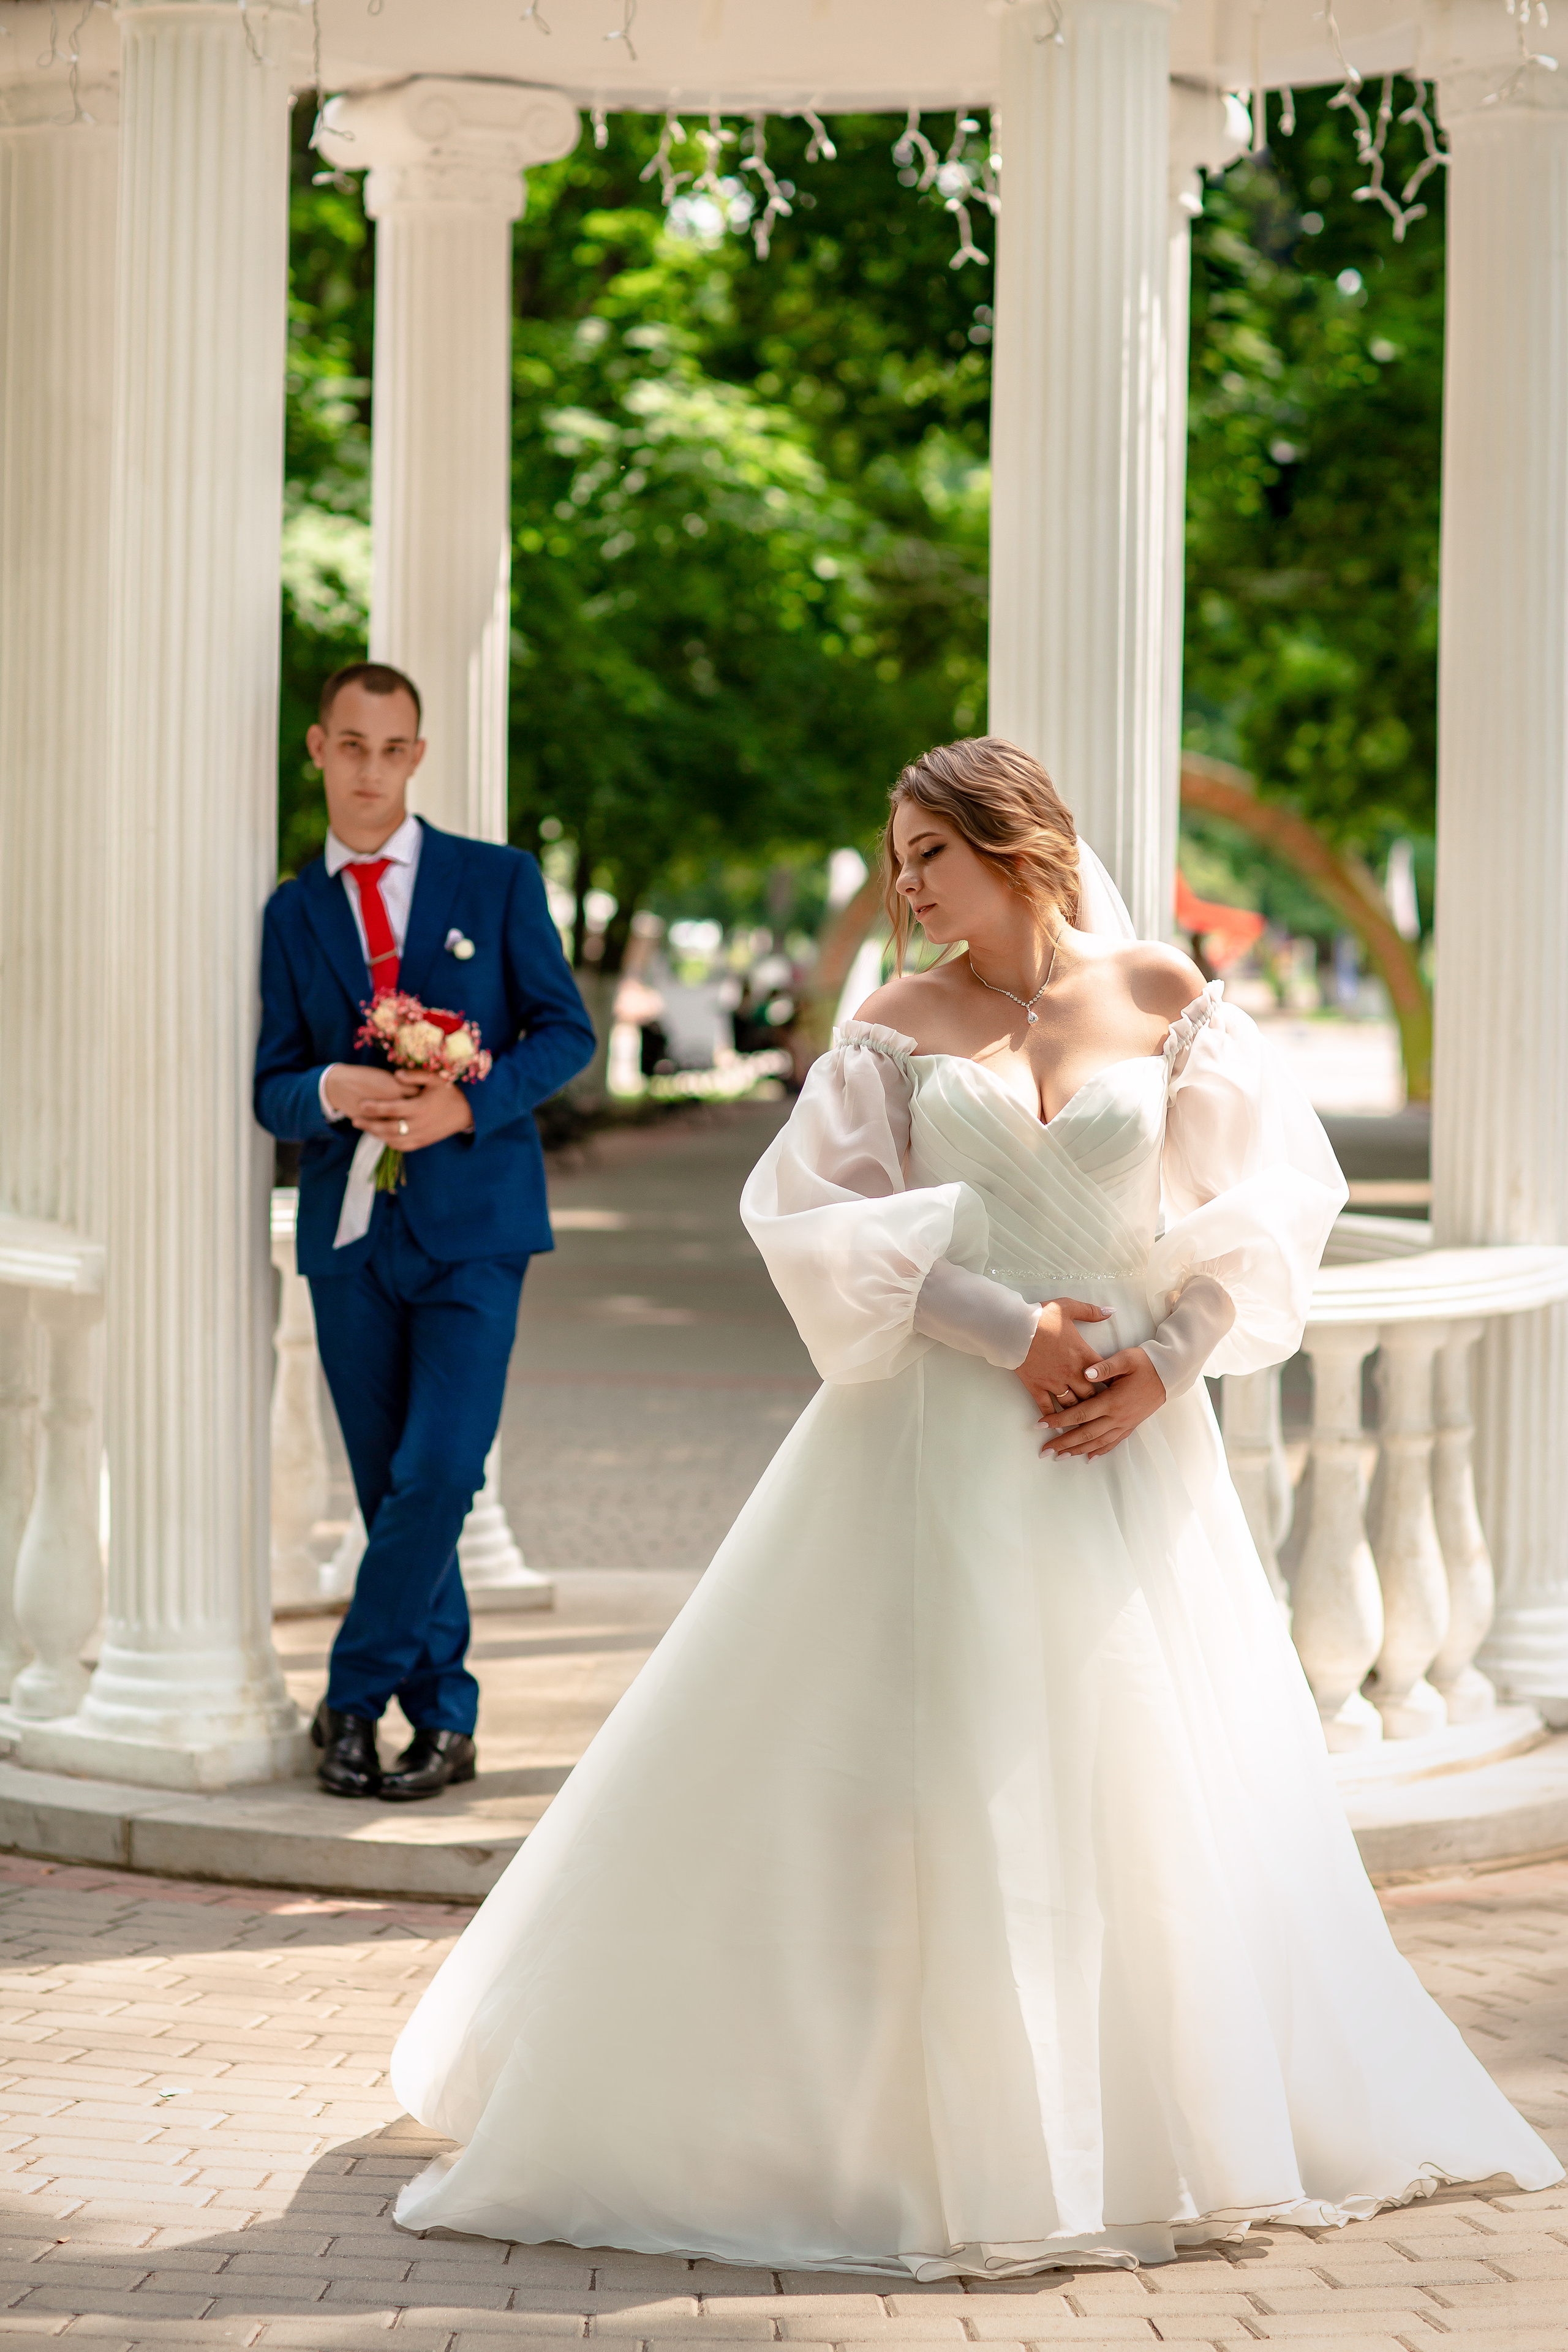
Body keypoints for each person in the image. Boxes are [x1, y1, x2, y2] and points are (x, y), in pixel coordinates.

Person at [385, 738, 1560, 2264]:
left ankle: (1152, 2116)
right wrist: (1013, 1334)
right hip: (937, 1433)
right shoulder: (892, 1025)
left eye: (927, 852)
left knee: (1138, 1769)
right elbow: (813, 1226)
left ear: (1014, 845)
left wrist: (1162, 1368)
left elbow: (1265, 1213)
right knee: (926, 1757)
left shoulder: (1166, 995)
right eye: (896, 860)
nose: (906, 885)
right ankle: (892, 2126)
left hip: (1128, 1442)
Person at [254, 664, 596, 1802]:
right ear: (319, 748)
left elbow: (565, 1032)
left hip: (476, 1228)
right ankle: (444, 1719)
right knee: (387, 1486)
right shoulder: (293, 913)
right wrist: (331, 1090)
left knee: (442, 1472)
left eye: (391, 748)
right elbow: (272, 1087)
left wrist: (465, 1103)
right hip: (350, 1237)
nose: (371, 770)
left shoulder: (495, 880)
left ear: (418, 755)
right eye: (351, 746)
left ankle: (352, 1698)